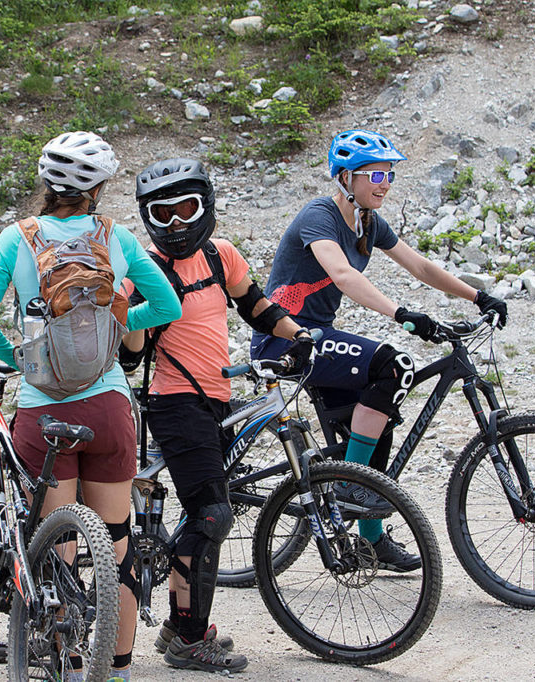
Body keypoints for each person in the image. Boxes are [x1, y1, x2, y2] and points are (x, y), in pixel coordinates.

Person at [0, 131, 181, 682]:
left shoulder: (15, 239)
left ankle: (62, 661)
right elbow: (167, 305)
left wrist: (23, 363)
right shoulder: (118, 237)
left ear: (46, 183)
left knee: (58, 544)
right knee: (117, 544)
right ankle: (117, 672)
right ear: (98, 190)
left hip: (43, 412)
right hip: (109, 406)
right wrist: (116, 325)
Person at [250, 129, 508, 570]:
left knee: (380, 418)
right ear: (346, 178)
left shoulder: (368, 221)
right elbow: (344, 276)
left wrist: (477, 296)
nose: (384, 182)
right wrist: (403, 315)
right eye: (375, 174)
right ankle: (351, 486)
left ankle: (371, 539)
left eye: (389, 173)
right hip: (288, 337)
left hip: (318, 334)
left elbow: (421, 266)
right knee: (394, 366)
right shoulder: (319, 216)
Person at [119, 158, 313, 674]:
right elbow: (131, 357)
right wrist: (128, 306)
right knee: (211, 516)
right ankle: (188, 638)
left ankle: (179, 624)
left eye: (187, 208)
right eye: (164, 214)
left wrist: (299, 336)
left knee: (205, 512)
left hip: (217, 397)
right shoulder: (146, 268)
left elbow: (256, 306)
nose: (178, 223)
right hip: (173, 401)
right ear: (148, 218)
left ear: (205, 205)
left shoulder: (219, 254)